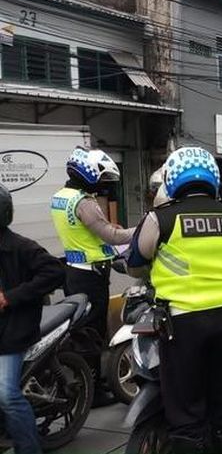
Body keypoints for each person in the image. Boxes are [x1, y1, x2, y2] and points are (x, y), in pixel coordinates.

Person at [127, 147, 222, 454]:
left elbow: (135, 263)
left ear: (172, 180)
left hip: (182, 323)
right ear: (213, 178)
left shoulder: (160, 218)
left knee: (186, 409)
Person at [50, 147, 135, 406]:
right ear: (87, 174)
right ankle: (95, 391)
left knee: (79, 331)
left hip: (74, 272)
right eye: (101, 178)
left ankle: (81, 383)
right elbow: (112, 237)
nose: (103, 184)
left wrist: (107, 228)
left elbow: (87, 232)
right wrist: (144, 227)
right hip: (91, 275)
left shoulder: (61, 196)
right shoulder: (84, 202)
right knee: (92, 334)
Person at [0, 184, 65, 454]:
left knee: (6, 395)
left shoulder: (20, 247)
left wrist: (10, 297)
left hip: (12, 333)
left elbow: (54, 273)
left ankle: (28, 449)